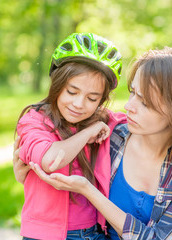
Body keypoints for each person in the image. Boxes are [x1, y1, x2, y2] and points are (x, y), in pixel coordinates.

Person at [14, 46, 172, 240]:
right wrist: (28, 173)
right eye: (132, 92)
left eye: (145, 102)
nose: (129, 106)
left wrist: (89, 191)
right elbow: (58, 145)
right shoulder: (112, 137)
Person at [15, 32, 127, 240]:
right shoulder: (33, 121)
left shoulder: (100, 120)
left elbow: (147, 125)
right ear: (57, 85)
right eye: (72, 92)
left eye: (92, 98)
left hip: (95, 232)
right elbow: (50, 160)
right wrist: (87, 134)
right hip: (44, 236)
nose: (79, 104)